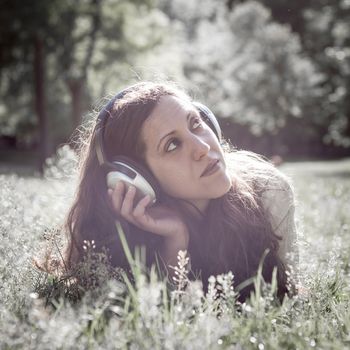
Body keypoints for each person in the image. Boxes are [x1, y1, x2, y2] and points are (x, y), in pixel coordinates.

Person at [60, 81, 298, 301]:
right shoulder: (120, 239)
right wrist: (175, 240)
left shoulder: (269, 192)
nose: (203, 147)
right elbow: (160, 329)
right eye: (172, 145)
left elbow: (287, 299)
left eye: (196, 123)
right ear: (140, 179)